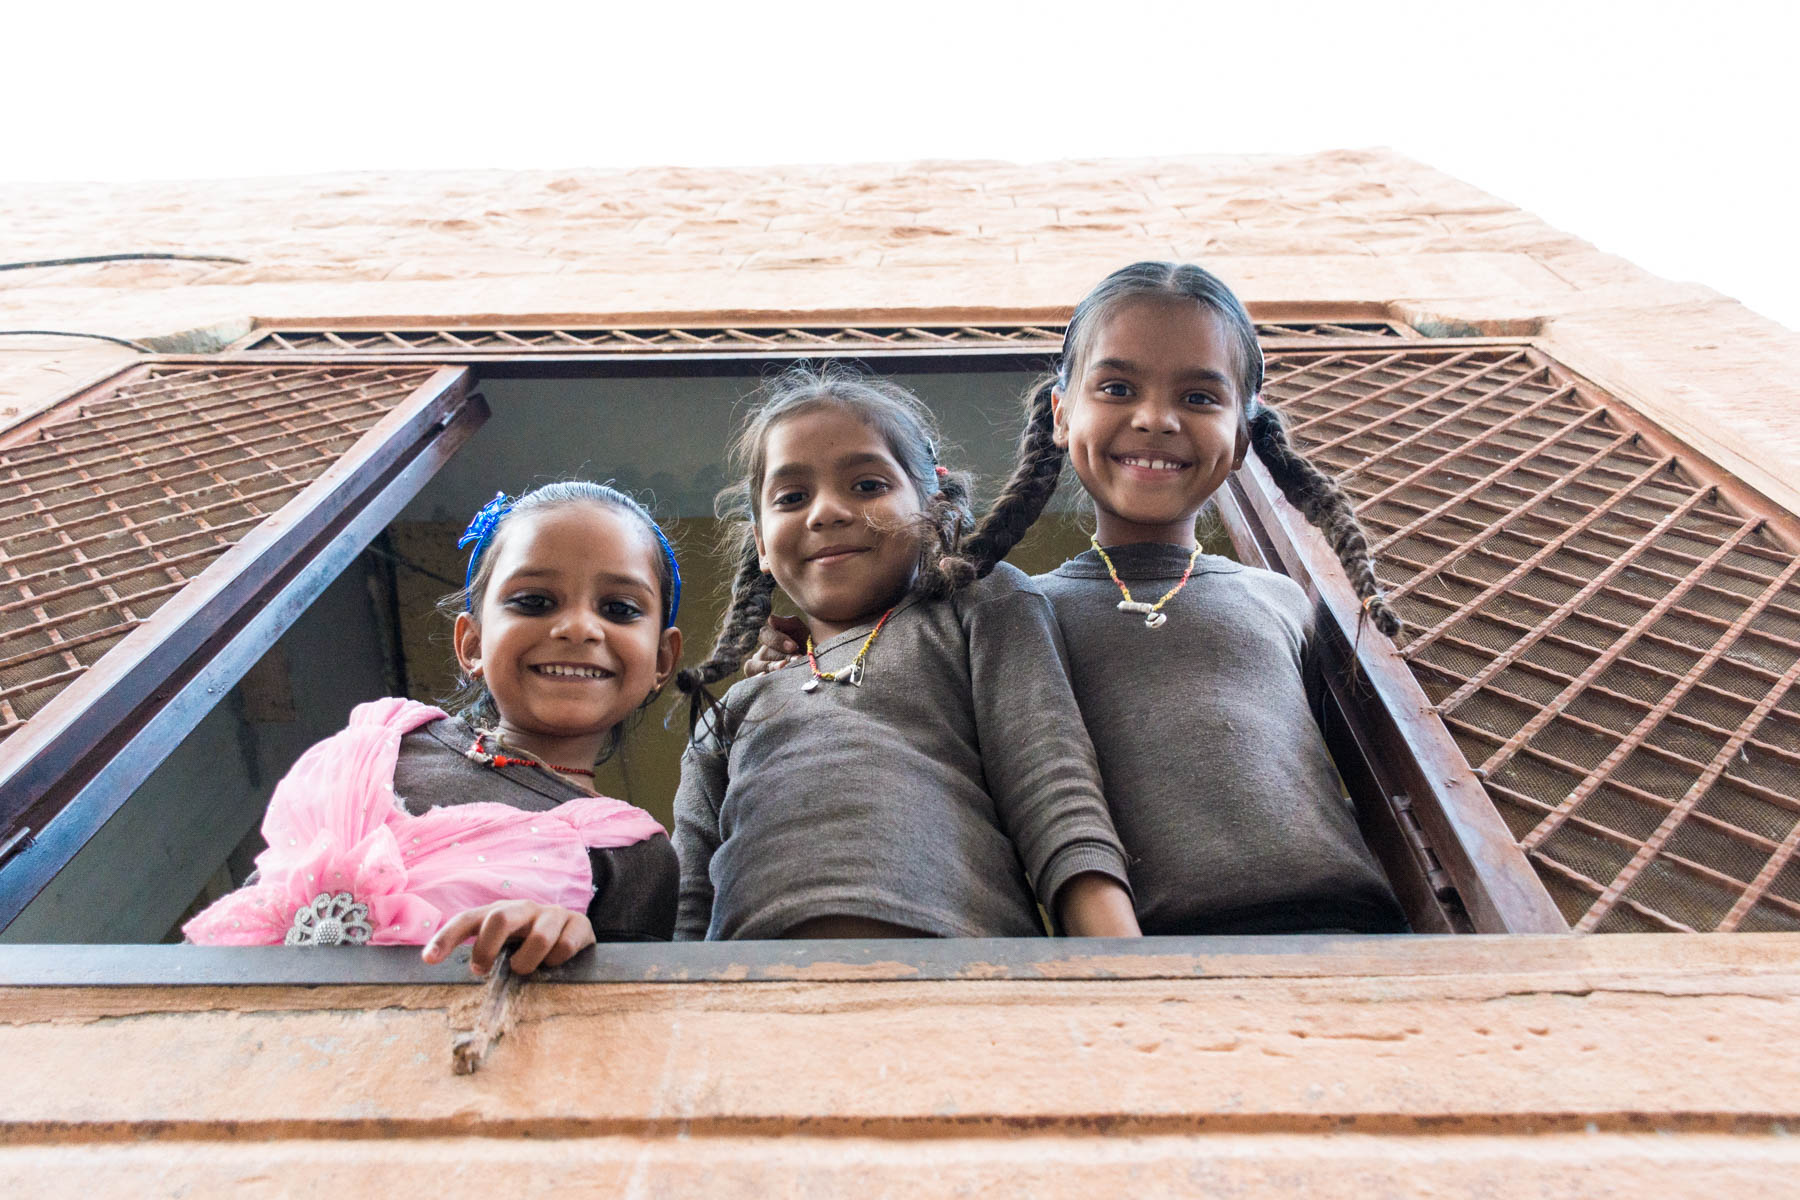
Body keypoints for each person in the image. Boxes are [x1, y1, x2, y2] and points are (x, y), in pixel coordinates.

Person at [754, 263, 1408, 934]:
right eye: (1118, 387)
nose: (1156, 419)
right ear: (1062, 415)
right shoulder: (1008, 614)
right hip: (1133, 957)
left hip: (1352, 938)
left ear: (1244, 435)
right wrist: (798, 657)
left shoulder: (1286, 603)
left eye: (1200, 398)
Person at [672, 365, 1140, 941]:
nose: (826, 512)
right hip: (748, 1004)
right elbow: (687, 903)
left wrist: (1121, 970)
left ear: (933, 504)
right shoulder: (733, 711)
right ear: (762, 544)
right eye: (792, 496)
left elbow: (1054, 795)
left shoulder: (980, 609)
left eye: (868, 485)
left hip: (964, 984)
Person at [185, 481, 686, 971]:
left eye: (619, 609)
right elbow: (258, 908)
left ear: (663, 660)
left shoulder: (636, 856)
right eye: (534, 601)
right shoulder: (383, 747)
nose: (578, 628)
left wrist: (571, 945)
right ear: (471, 643)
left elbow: (620, 1022)